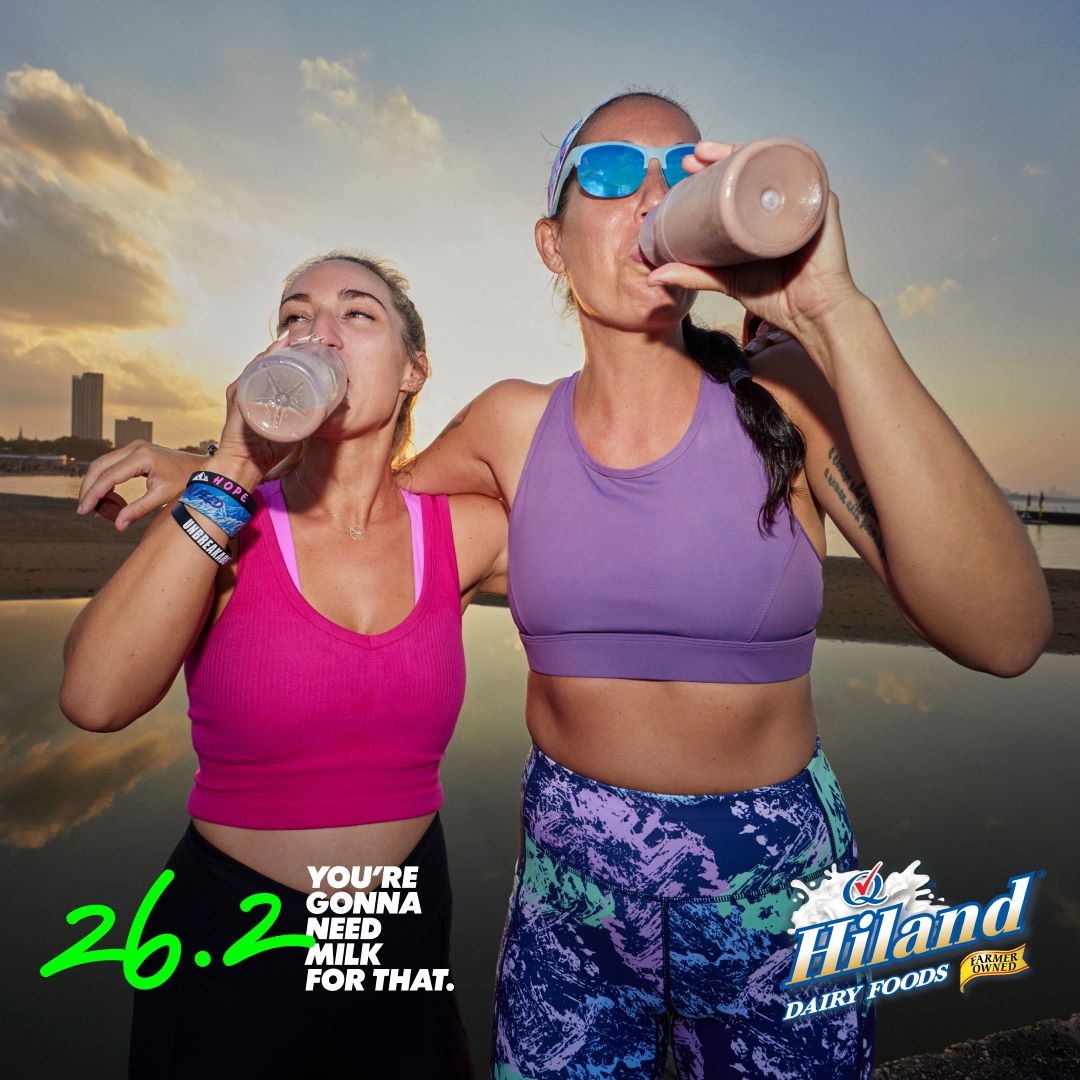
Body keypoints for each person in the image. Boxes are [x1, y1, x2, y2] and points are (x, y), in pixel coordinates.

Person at [78, 92, 1052, 1079]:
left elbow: (1004, 632)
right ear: (553, 241)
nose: (653, 197)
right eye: (613, 173)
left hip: (775, 884)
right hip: (571, 894)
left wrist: (835, 315)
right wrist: (212, 471)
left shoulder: (785, 399)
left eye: (682, 173)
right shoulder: (509, 427)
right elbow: (363, 507)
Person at [61, 252, 508, 1079]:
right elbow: (95, 697)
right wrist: (227, 466)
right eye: (295, 317)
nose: (318, 334)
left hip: (402, 935)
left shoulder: (463, 532)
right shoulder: (221, 518)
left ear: (414, 370)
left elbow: (623, 541)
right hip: (233, 938)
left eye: (357, 313)